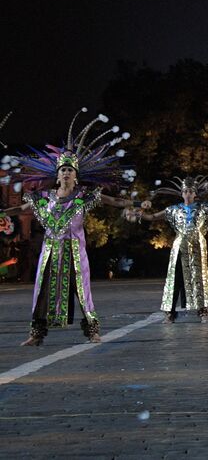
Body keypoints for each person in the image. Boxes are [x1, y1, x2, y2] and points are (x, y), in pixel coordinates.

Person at [3, 110, 146, 346]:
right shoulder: (45, 198)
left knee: (82, 290)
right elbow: (20, 210)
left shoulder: (83, 196)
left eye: (70, 170)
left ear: (76, 176)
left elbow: (115, 202)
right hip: (50, 250)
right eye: (63, 170)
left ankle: (92, 331)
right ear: (57, 176)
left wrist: (138, 203)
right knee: (41, 290)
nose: (67, 173)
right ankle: (36, 334)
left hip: (75, 251)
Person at [133, 174, 208, 322]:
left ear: (195, 194)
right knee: (175, 278)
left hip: (197, 246)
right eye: (185, 191)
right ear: (181, 193)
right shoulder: (173, 210)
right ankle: (170, 312)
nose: (188, 194)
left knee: (200, 277)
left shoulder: (204, 207)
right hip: (179, 246)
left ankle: (203, 311)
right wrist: (140, 213)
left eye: (191, 191)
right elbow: (153, 217)